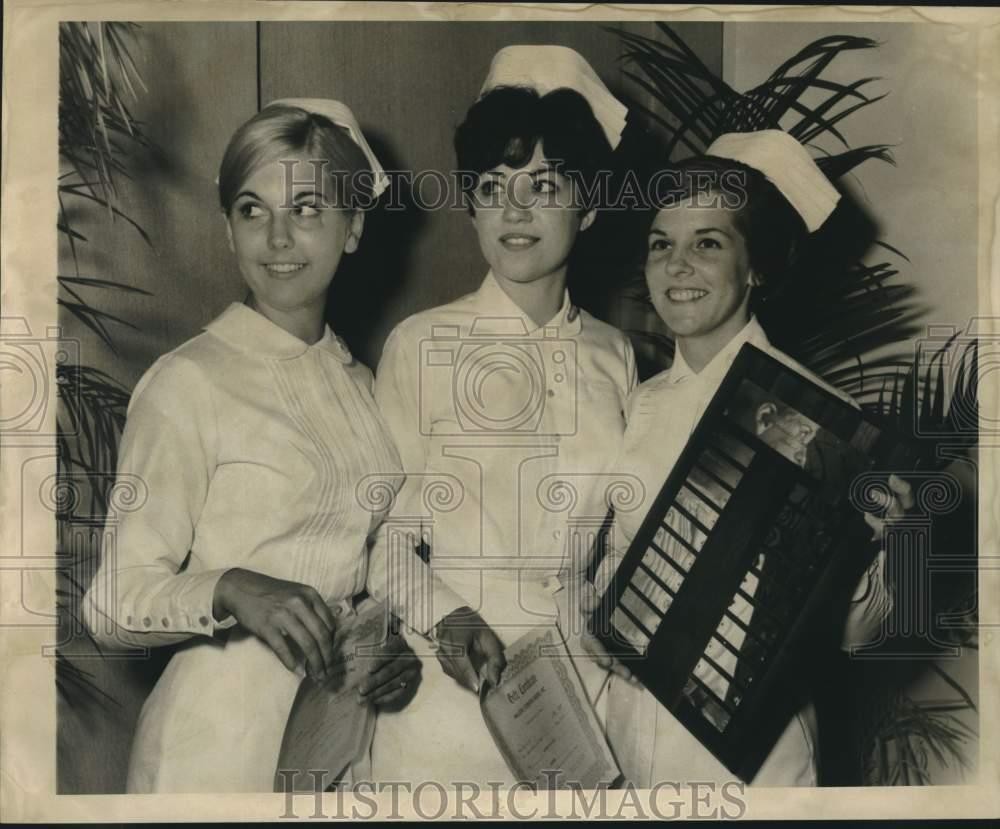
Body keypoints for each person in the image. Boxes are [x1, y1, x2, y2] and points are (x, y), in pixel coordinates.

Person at [82, 99, 502, 793]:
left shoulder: (361, 386)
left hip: (334, 742)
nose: (277, 238)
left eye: (306, 209)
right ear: (227, 228)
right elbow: (109, 604)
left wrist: (403, 632)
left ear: (354, 226)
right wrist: (230, 586)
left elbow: (365, 558)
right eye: (252, 210)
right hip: (211, 748)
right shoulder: (189, 381)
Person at [581, 129, 915, 786]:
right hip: (629, 741)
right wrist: (599, 625)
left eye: (708, 243)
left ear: (756, 265)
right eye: (661, 245)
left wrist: (892, 543)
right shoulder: (636, 402)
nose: (677, 267)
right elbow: (612, 562)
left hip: (752, 763)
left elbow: (852, 636)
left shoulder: (819, 418)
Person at [368, 46, 637, 787]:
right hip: (446, 713)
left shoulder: (618, 357)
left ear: (588, 205)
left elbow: (618, 539)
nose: (515, 210)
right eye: (493, 186)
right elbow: (381, 541)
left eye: (544, 184)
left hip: (585, 713)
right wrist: (448, 616)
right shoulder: (421, 345)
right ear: (471, 202)